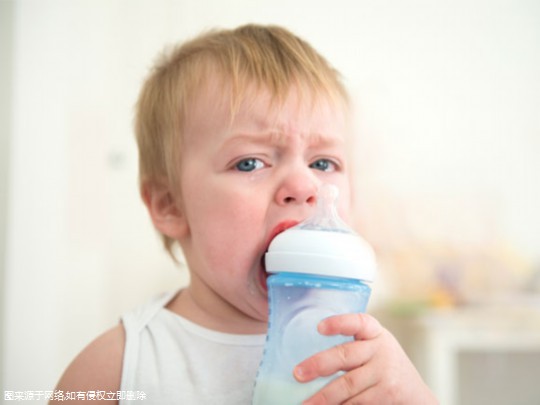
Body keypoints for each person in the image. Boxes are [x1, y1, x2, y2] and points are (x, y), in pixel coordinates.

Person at [51, 24, 437, 404]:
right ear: (170, 204)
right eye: (250, 163)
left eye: (323, 162)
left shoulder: (363, 360)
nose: (304, 186)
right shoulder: (120, 369)